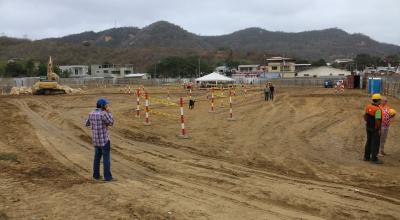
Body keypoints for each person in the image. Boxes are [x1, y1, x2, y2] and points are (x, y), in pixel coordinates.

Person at [85, 98, 115, 181]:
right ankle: (108, 177)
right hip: (104, 140)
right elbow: (111, 122)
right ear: (103, 106)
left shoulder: (91, 113)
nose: (107, 106)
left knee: (97, 158)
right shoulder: (104, 114)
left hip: (96, 140)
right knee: (106, 159)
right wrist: (109, 112)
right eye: (106, 105)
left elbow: (87, 123)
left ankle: (96, 176)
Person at [363, 94, 383, 164]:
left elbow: (365, 115)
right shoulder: (378, 110)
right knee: (375, 143)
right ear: (378, 100)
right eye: (380, 100)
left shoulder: (368, 106)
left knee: (369, 141)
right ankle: (374, 159)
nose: (381, 101)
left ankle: (366, 157)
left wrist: (368, 122)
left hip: (368, 126)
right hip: (375, 128)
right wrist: (379, 129)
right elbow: (377, 120)